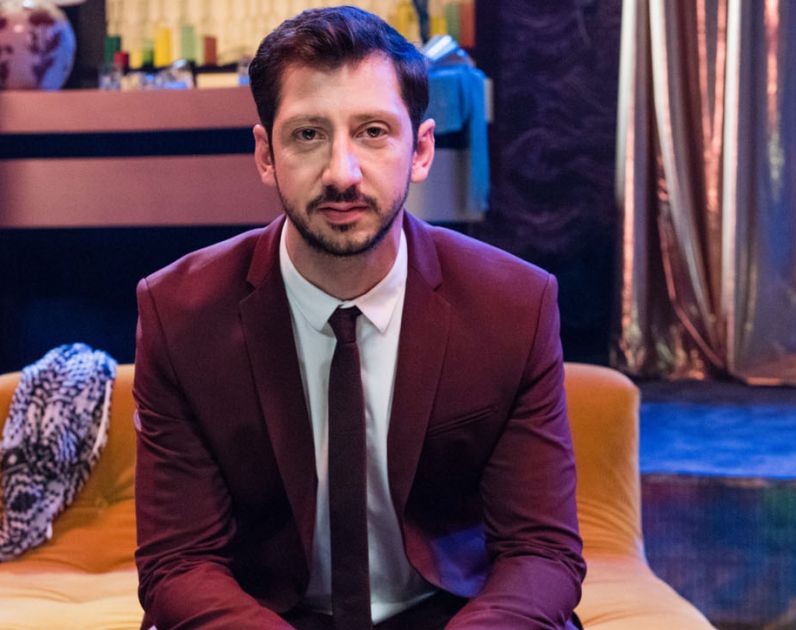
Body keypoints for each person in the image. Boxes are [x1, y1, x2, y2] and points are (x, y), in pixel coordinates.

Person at [133, 6, 584, 629]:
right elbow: (179, 563)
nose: (341, 173)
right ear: (266, 154)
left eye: (373, 132)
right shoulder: (179, 313)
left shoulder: (514, 305)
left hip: (457, 615)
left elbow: (541, 552)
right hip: (263, 617)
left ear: (420, 149)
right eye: (308, 135)